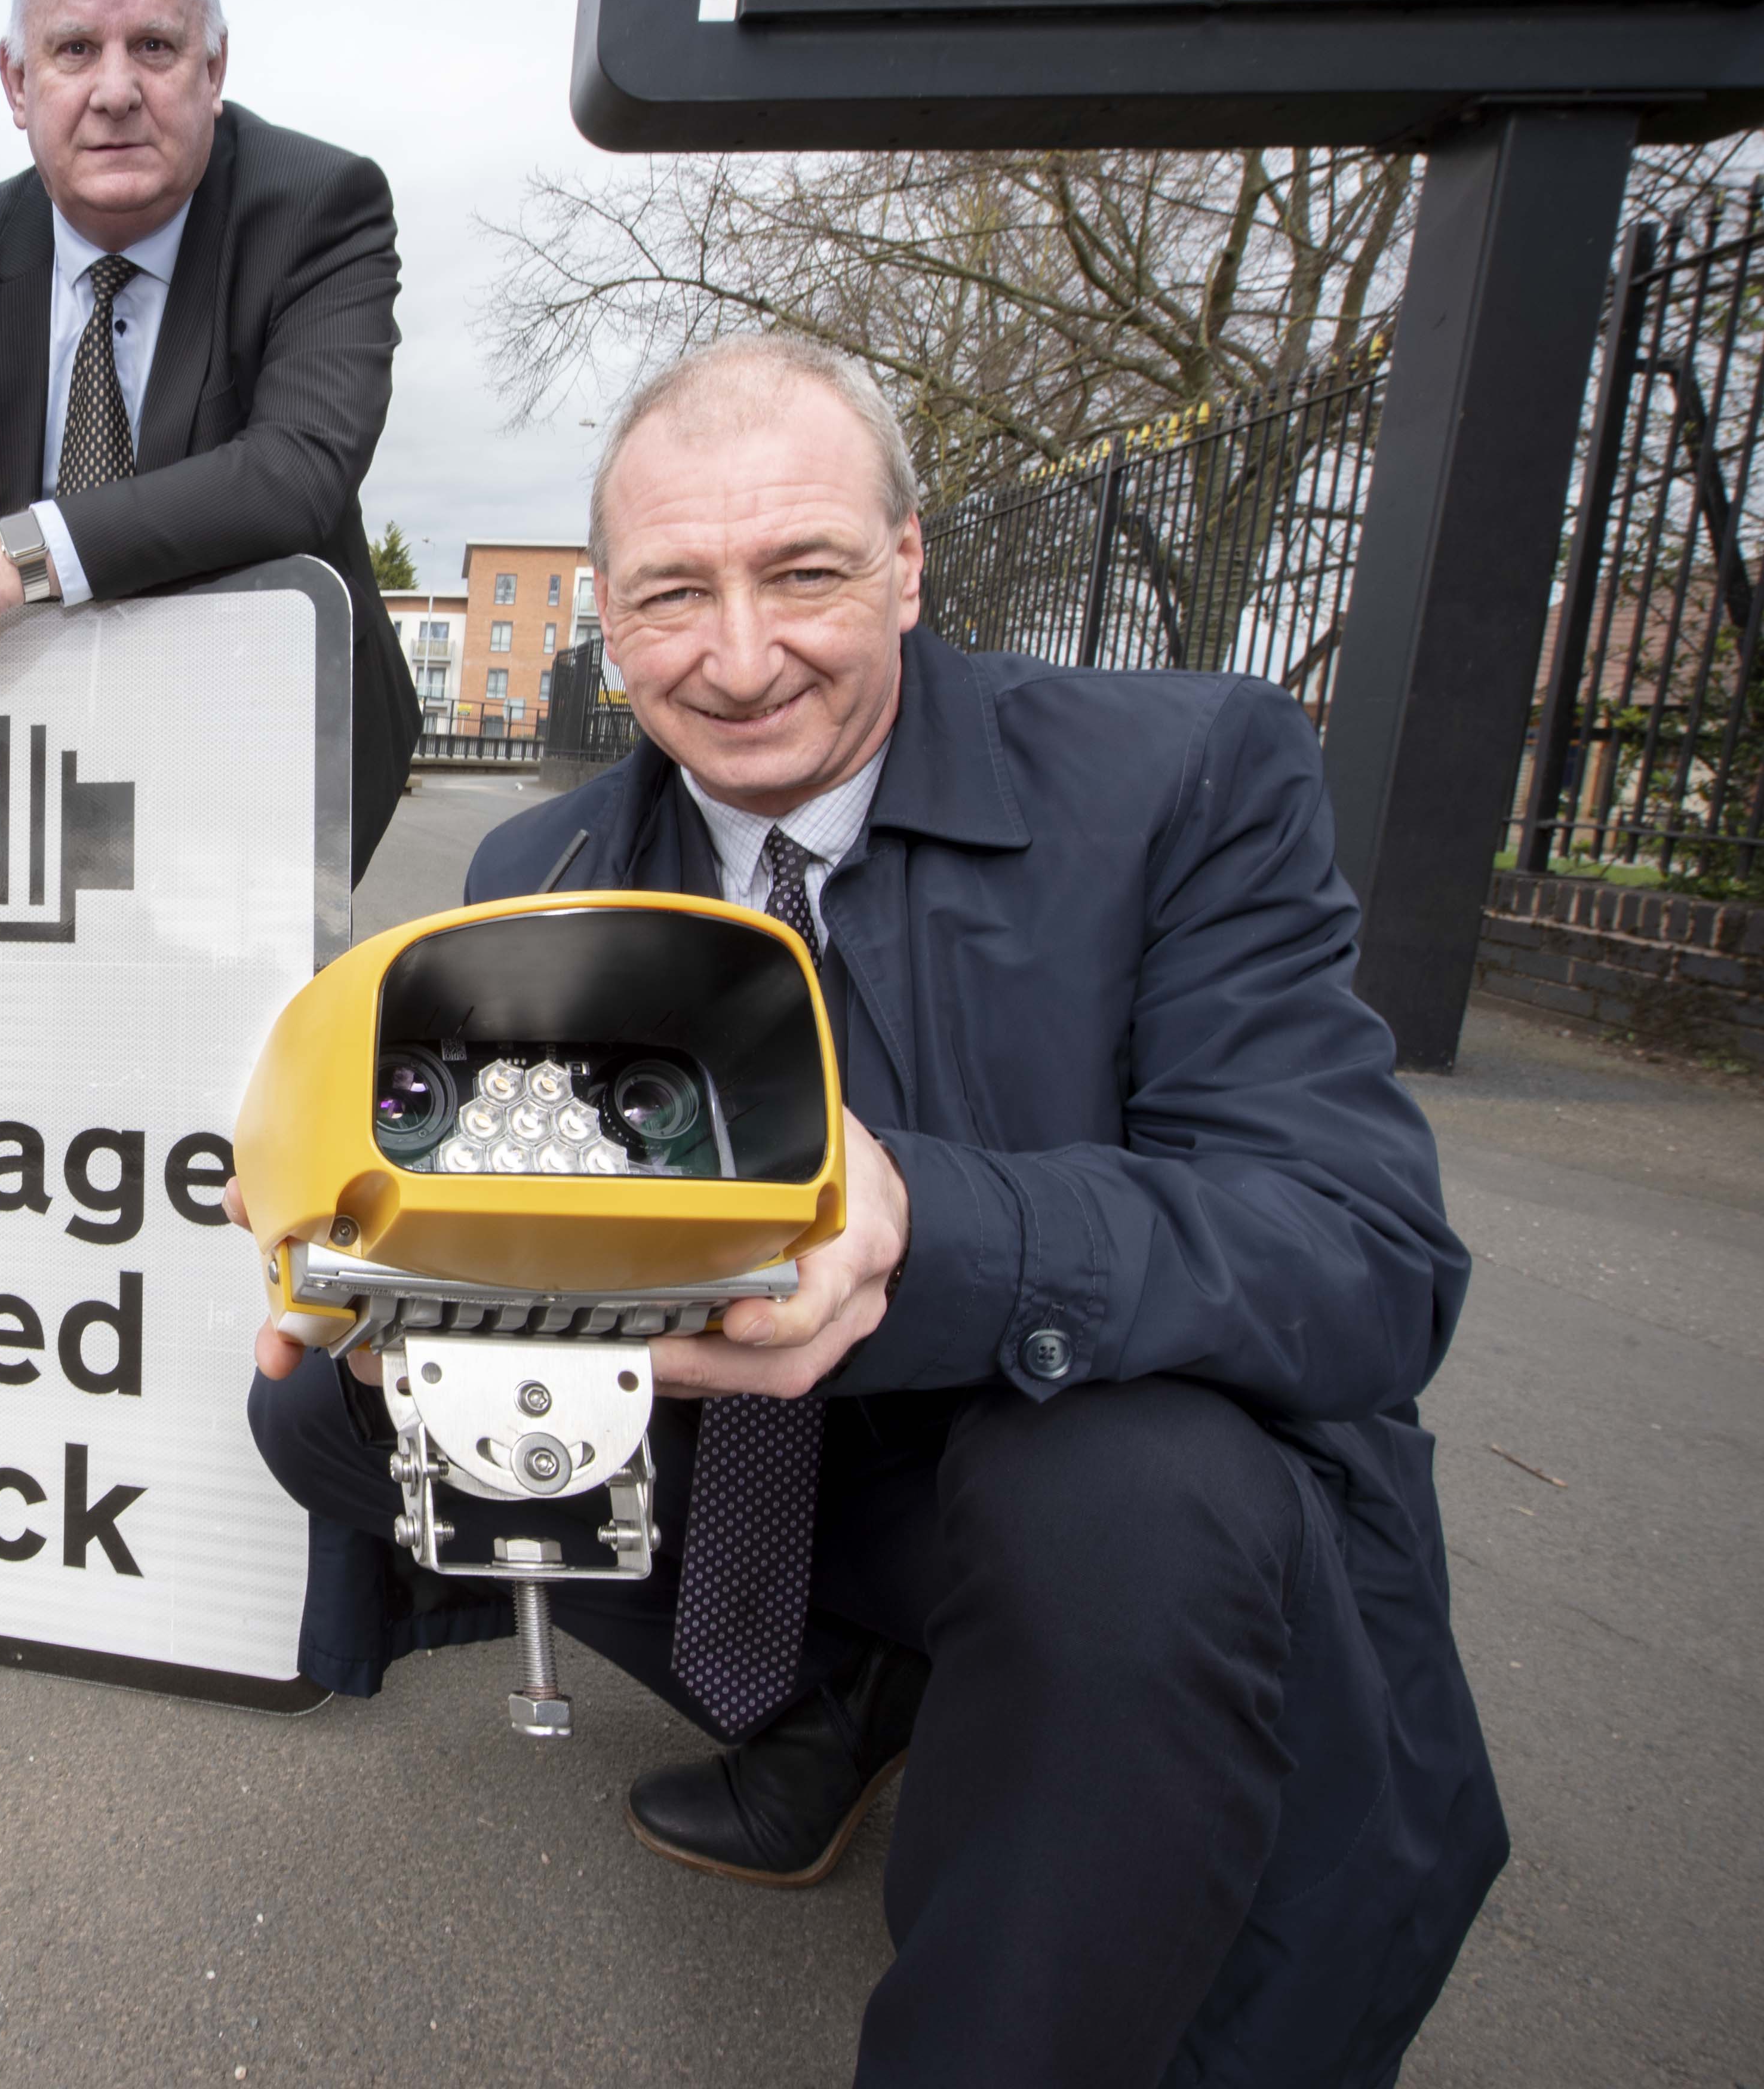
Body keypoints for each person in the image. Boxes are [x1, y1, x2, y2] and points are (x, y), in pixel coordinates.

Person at [241, 333, 1506, 2085]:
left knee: (1115, 1486)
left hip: (1097, 1472)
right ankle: (829, 1691)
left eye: (805, 573)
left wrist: (925, 1221)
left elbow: (1360, 1253)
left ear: (907, 565)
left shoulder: (1187, 777)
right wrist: (407, 1278)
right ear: (606, 610)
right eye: (674, 591)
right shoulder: (534, 873)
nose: (740, 655)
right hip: (794, 1464)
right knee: (324, 1406)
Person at [0, 0, 425, 871]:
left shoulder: (324, 209)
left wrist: (16, 555)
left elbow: (295, 471)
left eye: (153, 46)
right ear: (16, 83)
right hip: (34, 763)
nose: (114, 90)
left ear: (213, 69)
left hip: (278, 764)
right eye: (73, 50)